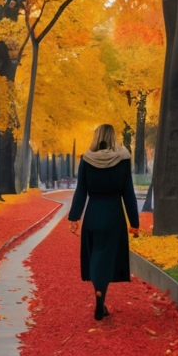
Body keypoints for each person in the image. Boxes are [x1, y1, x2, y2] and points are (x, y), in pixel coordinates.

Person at [68, 124, 139, 320]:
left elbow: (81, 191)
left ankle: (99, 293)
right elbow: (128, 193)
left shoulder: (86, 160)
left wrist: (74, 217)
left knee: (96, 255)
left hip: (93, 214)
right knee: (108, 257)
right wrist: (134, 221)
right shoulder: (123, 160)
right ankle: (101, 295)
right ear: (113, 137)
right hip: (114, 214)